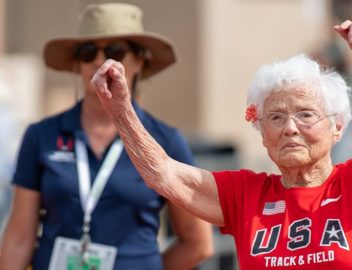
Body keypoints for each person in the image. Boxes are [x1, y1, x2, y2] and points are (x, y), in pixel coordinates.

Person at [92, 20, 352, 269]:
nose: (290, 128)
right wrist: (121, 111)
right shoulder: (246, 195)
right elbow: (164, 175)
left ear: (337, 128)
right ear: (262, 133)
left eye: (305, 115)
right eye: (275, 117)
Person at [0, 3, 213, 270]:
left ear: (140, 60)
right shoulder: (40, 135)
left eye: (115, 51)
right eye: (88, 52)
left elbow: (198, 244)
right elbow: (18, 238)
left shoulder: (166, 141)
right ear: (77, 63)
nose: (100, 61)